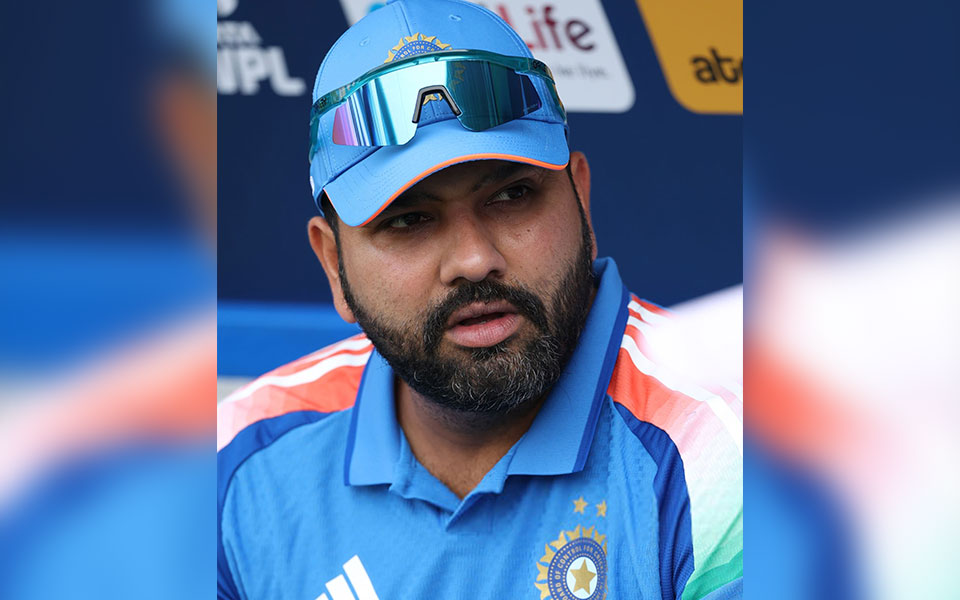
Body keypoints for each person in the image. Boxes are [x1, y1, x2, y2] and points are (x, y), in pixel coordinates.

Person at [217, 1, 742, 599]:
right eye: (408, 220)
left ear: (581, 198)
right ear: (334, 265)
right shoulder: (238, 458)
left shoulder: (726, 453)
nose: (473, 259)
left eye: (512, 195)